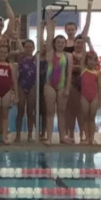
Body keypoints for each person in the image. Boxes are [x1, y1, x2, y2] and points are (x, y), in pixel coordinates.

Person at [43, 15, 73, 146]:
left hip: (61, 86)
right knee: (50, 113)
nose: (60, 44)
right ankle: (48, 137)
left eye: (62, 43)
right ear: (54, 44)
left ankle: (62, 137)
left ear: (65, 44)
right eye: (58, 42)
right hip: (49, 85)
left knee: (62, 112)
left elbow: (69, 73)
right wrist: (50, 25)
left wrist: (67, 88)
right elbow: (49, 39)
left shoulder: (68, 56)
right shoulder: (50, 53)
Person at [79, 51, 101, 145]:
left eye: (94, 60)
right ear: (86, 61)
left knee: (92, 118)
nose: (92, 62)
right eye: (90, 59)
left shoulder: (97, 72)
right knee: (85, 118)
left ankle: (92, 138)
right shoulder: (83, 69)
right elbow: (83, 56)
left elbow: (99, 88)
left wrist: (99, 100)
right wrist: (85, 41)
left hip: (94, 96)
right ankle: (87, 137)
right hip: (84, 96)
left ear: (96, 61)